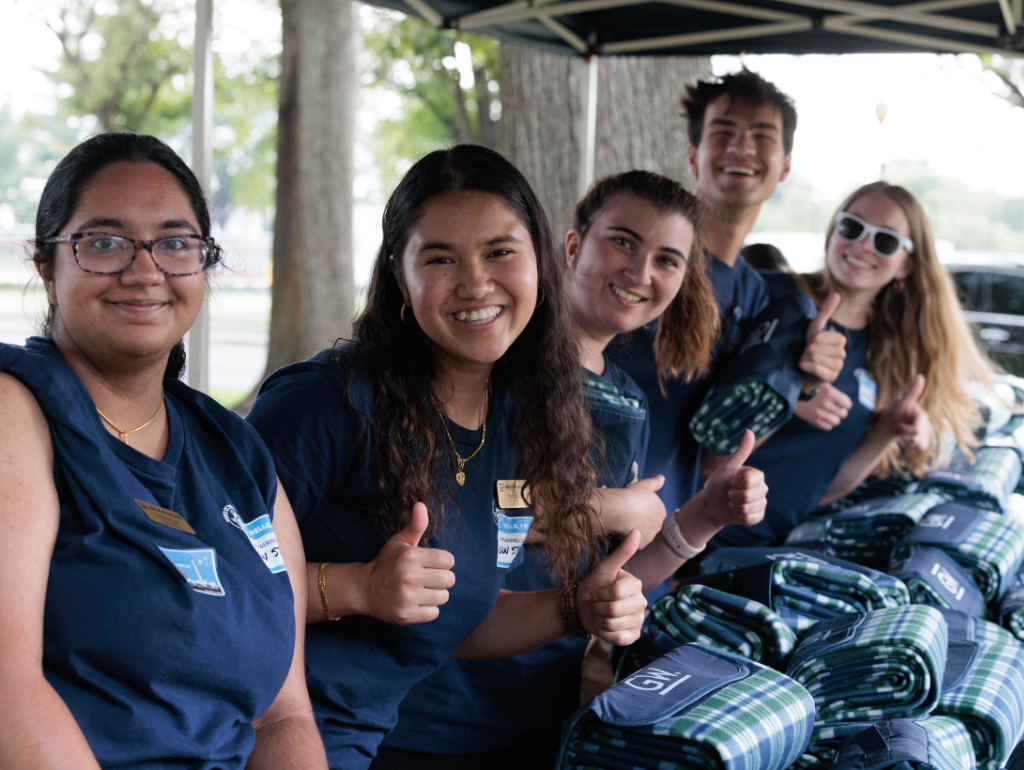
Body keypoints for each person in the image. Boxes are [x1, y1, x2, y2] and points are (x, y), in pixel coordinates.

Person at [245, 145, 648, 770]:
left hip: (359, 737)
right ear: (400, 282)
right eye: (439, 258)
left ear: (540, 262)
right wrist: (354, 587)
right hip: (252, 736)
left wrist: (576, 609)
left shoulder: (518, 414)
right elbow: (205, 584)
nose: (476, 283)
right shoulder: (328, 401)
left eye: (500, 251)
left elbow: (455, 617)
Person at [377, 171, 768, 768]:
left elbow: (605, 571)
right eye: (623, 241)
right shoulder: (495, 357)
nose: (640, 273)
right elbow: (453, 506)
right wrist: (614, 505)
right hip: (432, 713)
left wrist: (702, 518)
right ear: (571, 246)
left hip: (539, 712)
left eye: (666, 258)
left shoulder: (628, 401)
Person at [0, 133, 326, 769]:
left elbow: (284, 714)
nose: (144, 269)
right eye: (103, 242)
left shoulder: (237, 452)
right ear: (46, 265)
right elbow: (6, 686)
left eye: (175, 243)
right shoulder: (19, 411)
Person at [609, 67, 846, 517]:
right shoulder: (638, 262)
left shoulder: (757, 297)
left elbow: (713, 458)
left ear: (786, 165)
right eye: (724, 132)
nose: (741, 147)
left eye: (762, 135)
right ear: (694, 155)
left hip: (659, 534)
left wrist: (797, 383)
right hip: (572, 519)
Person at [712, 181, 993, 549]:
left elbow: (824, 487)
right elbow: (697, 425)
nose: (862, 245)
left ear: (906, 263)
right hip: (696, 526)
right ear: (833, 230)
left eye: (885, 240)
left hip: (757, 546)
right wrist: (791, 396)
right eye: (852, 227)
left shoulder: (885, 350)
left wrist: (888, 430)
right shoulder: (766, 294)